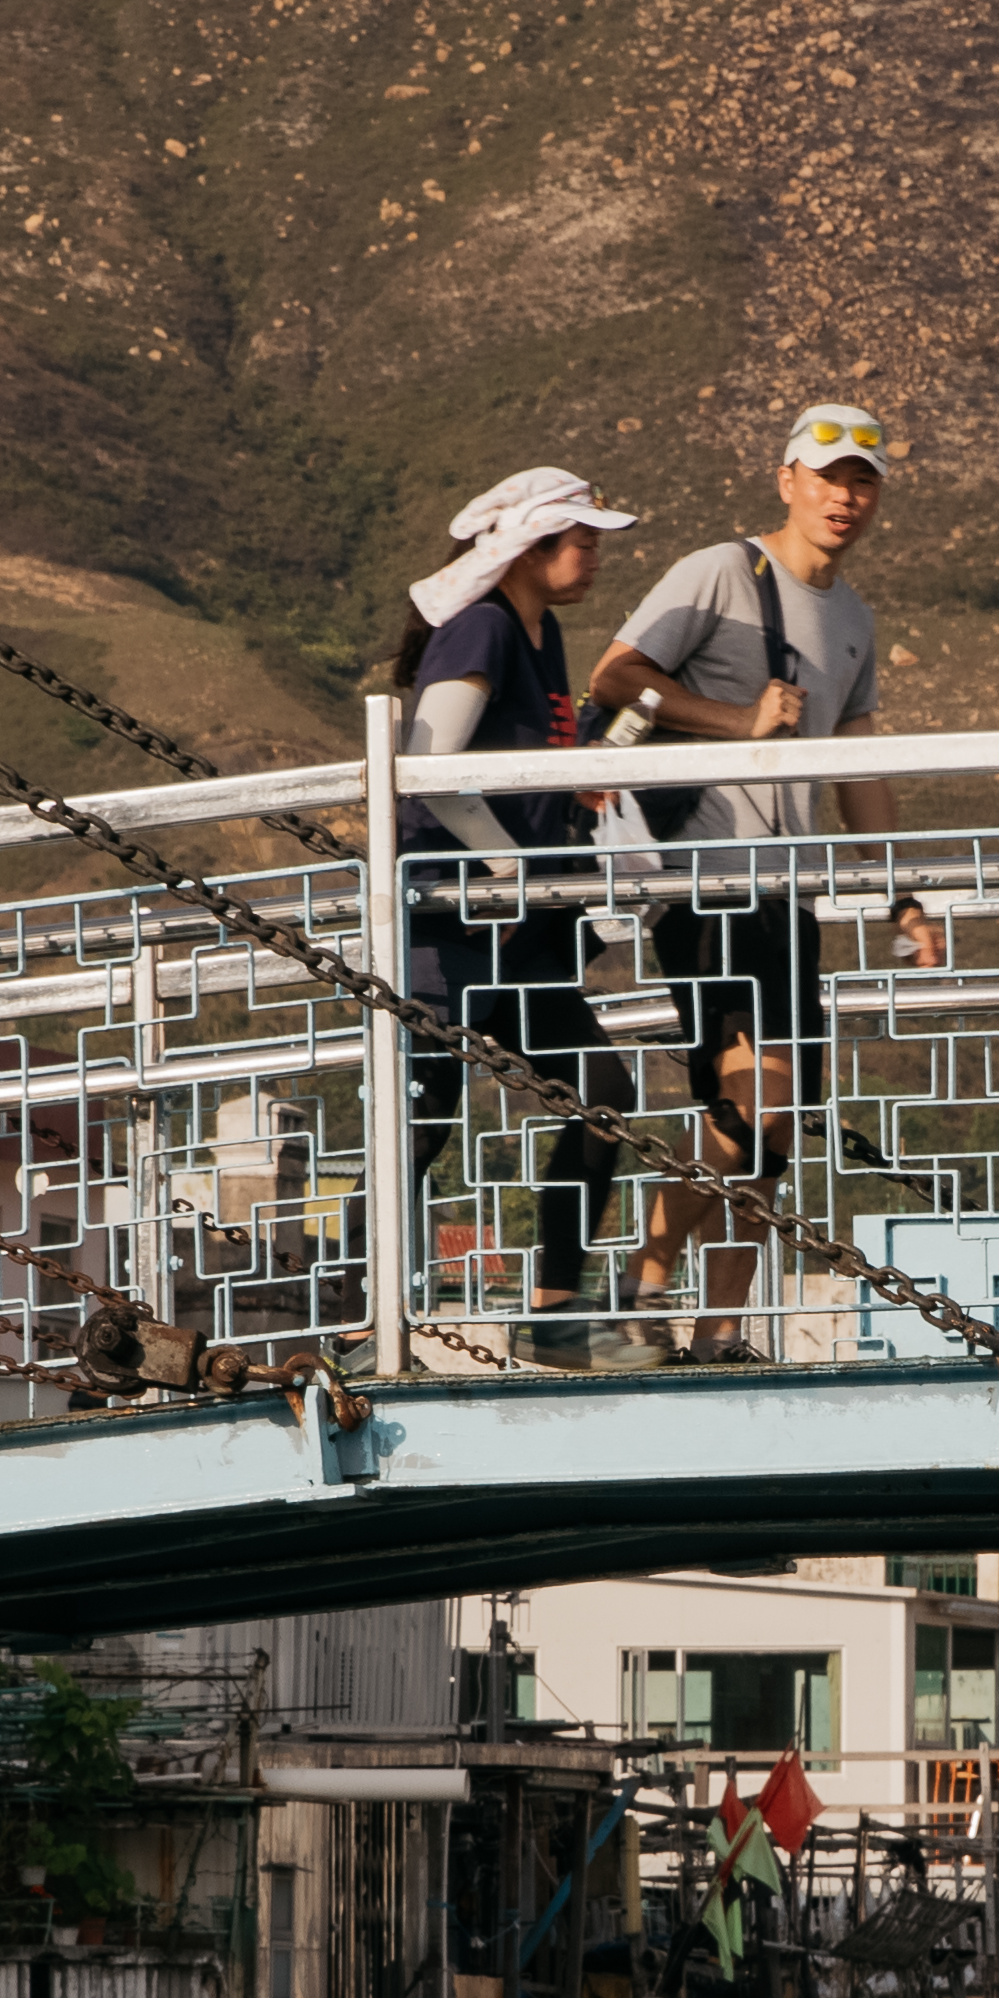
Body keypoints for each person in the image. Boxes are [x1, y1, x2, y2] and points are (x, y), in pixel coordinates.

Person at [587, 407, 952, 1365]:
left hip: (789, 894)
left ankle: (719, 1332)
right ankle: (646, 1274)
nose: (845, 496)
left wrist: (900, 897)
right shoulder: (719, 569)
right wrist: (732, 720)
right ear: (786, 478)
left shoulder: (853, 617)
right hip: (705, 885)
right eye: (828, 476)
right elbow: (618, 676)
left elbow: (855, 766)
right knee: (753, 1106)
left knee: (773, 1125)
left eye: (863, 481)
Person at [400, 467, 653, 1354]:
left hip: (526, 927)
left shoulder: (539, 637)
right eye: (582, 542)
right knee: (422, 1116)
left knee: (601, 1091)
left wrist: (566, 787)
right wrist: (505, 858)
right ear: (530, 547)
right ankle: (357, 1312)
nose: (593, 559)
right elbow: (429, 761)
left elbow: (513, 763)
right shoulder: (482, 629)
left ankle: (552, 1317)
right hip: (456, 921)